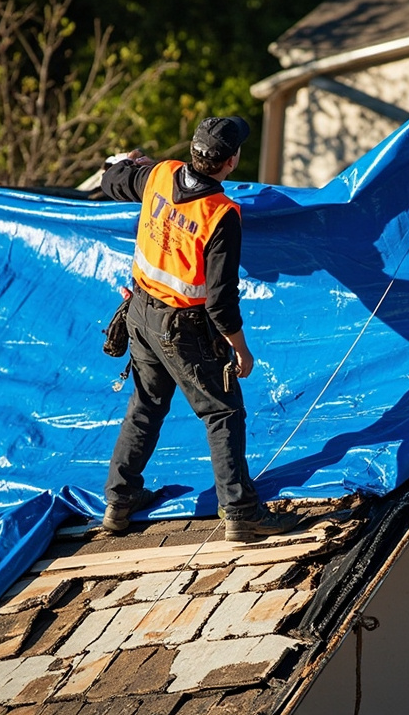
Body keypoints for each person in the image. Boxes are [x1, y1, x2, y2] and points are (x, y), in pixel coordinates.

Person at [99, 115, 300, 541]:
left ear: (192, 152)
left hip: (140, 313)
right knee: (223, 412)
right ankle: (240, 514)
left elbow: (115, 178)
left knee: (146, 405)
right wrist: (241, 350)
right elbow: (221, 301)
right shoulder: (220, 214)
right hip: (183, 328)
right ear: (231, 162)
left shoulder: (160, 174)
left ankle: (118, 502)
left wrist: (129, 163)